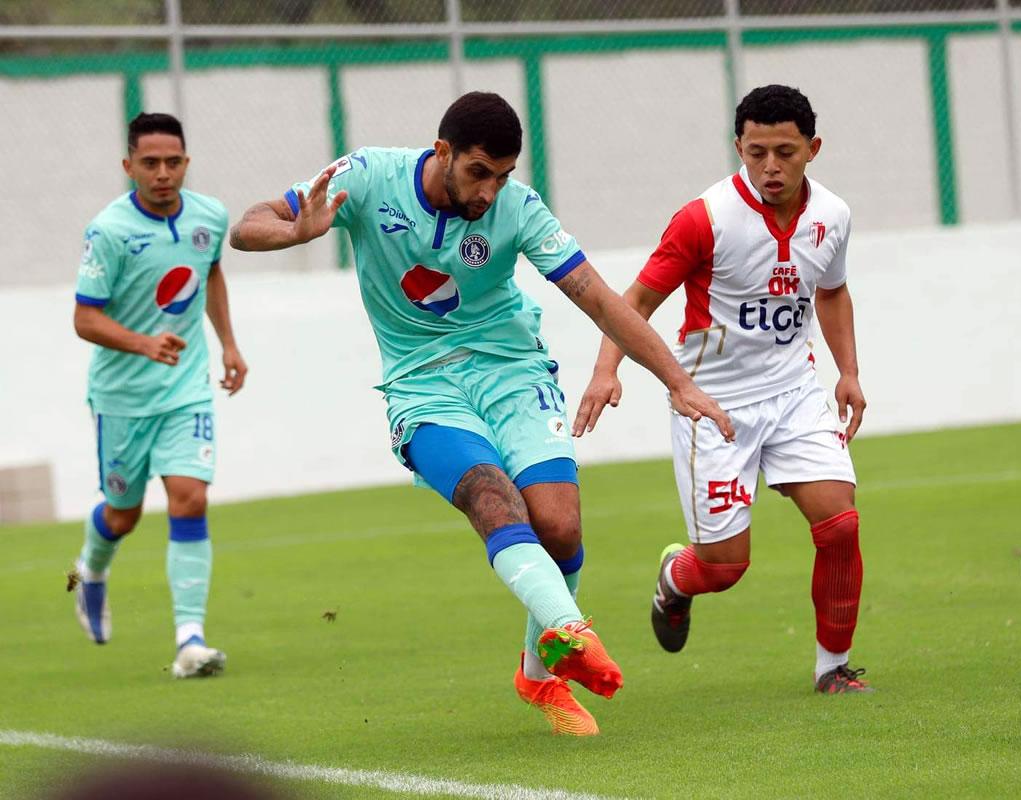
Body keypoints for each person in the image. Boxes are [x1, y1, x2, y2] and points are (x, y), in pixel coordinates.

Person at [228, 92, 733, 735]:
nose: (490, 191)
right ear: (442, 152)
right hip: (422, 386)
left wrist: (676, 380)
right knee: (490, 498)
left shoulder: (519, 211)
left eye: (503, 175)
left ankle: (537, 675)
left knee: (562, 529)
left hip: (512, 373)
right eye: (478, 173)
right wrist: (295, 230)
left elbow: (603, 302)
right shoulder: (368, 176)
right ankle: (570, 630)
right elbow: (247, 226)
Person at [576, 85, 872, 694]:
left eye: (785, 152)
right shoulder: (704, 219)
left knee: (840, 525)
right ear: (738, 145)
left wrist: (848, 371)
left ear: (813, 149)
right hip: (710, 405)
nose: (770, 166)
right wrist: (608, 370)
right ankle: (677, 580)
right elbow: (632, 303)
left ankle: (832, 669)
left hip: (794, 392)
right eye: (756, 151)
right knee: (726, 567)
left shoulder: (832, 217)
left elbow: (832, 291)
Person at [70, 112, 248, 679]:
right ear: (129, 167)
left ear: (186, 163)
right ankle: (91, 571)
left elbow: (211, 272)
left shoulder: (210, 216)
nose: (163, 173)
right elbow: (84, 318)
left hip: (185, 391)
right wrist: (145, 344)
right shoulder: (109, 231)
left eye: (173, 162)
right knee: (122, 516)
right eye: (150, 163)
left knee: (190, 498)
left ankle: (189, 640)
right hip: (121, 398)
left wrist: (228, 345)